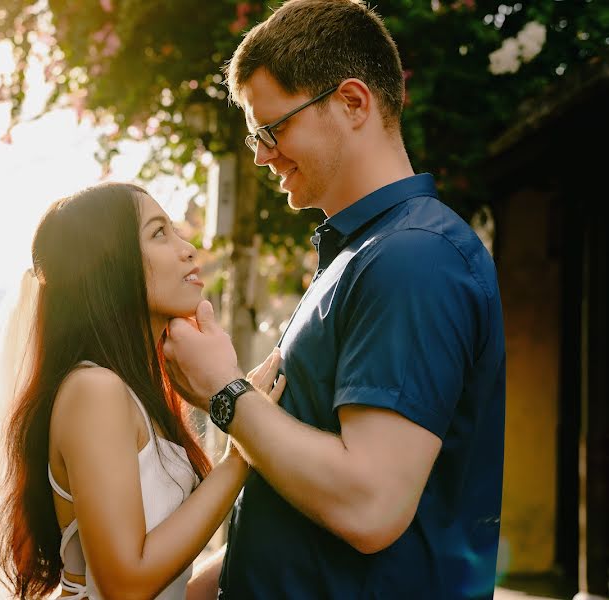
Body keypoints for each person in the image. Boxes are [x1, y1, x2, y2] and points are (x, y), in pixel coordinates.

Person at [169, 1, 507, 598]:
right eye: (255, 135)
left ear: (353, 103)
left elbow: (369, 506)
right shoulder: (366, 254)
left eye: (272, 130)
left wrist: (225, 394)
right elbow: (300, 506)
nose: (260, 155)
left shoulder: (412, 258)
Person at [0, 182, 285, 599]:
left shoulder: (135, 396)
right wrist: (241, 452)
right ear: (109, 265)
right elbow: (125, 583)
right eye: (158, 233)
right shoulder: (95, 390)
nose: (187, 248)